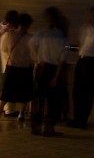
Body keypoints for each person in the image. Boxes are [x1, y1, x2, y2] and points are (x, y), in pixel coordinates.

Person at [68, 6, 94, 129]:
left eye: (92, 15)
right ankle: (77, 118)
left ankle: (82, 120)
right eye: (89, 15)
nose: (89, 17)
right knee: (77, 91)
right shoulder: (85, 28)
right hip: (82, 60)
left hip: (93, 61)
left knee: (88, 93)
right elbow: (80, 43)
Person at [30, 7, 69, 137]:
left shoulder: (43, 33)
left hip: (41, 68)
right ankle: (49, 129)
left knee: (39, 99)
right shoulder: (61, 37)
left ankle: (36, 127)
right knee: (53, 101)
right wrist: (56, 78)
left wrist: (36, 59)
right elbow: (61, 60)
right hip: (53, 70)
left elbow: (31, 43)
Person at [0, 12, 33, 121]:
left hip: (11, 67)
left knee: (7, 90)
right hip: (26, 67)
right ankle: (21, 114)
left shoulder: (9, 35)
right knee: (25, 92)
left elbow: (3, 49)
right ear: (28, 24)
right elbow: (34, 54)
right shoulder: (31, 38)